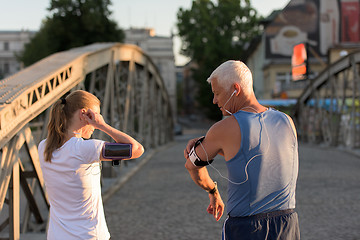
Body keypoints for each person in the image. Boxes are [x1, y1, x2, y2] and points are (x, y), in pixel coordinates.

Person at [183, 60, 300, 239]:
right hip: (287, 224)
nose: (214, 100)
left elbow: (192, 166)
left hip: (248, 228)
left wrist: (213, 191)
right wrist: (213, 144)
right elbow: (258, 153)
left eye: (217, 93)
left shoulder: (224, 128)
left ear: (235, 89)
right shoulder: (286, 121)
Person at [38, 90, 144, 240]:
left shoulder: (43, 147)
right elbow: (138, 149)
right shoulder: (85, 149)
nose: (96, 122)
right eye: (96, 115)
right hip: (88, 236)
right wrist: (103, 126)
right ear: (84, 114)